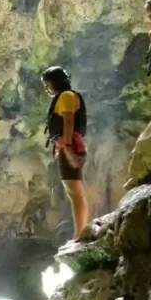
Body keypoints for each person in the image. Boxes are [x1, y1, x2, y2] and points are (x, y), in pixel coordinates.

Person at [42, 66, 89, 239]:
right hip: (66, 145)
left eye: (47, 84)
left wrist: (67, 148)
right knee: (73, 190)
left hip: (69, 145)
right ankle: (80, 232)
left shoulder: (67, 96)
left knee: (74, 191)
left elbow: (69, 121)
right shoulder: (64, 97)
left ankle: (80, 234)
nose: (47, 88)